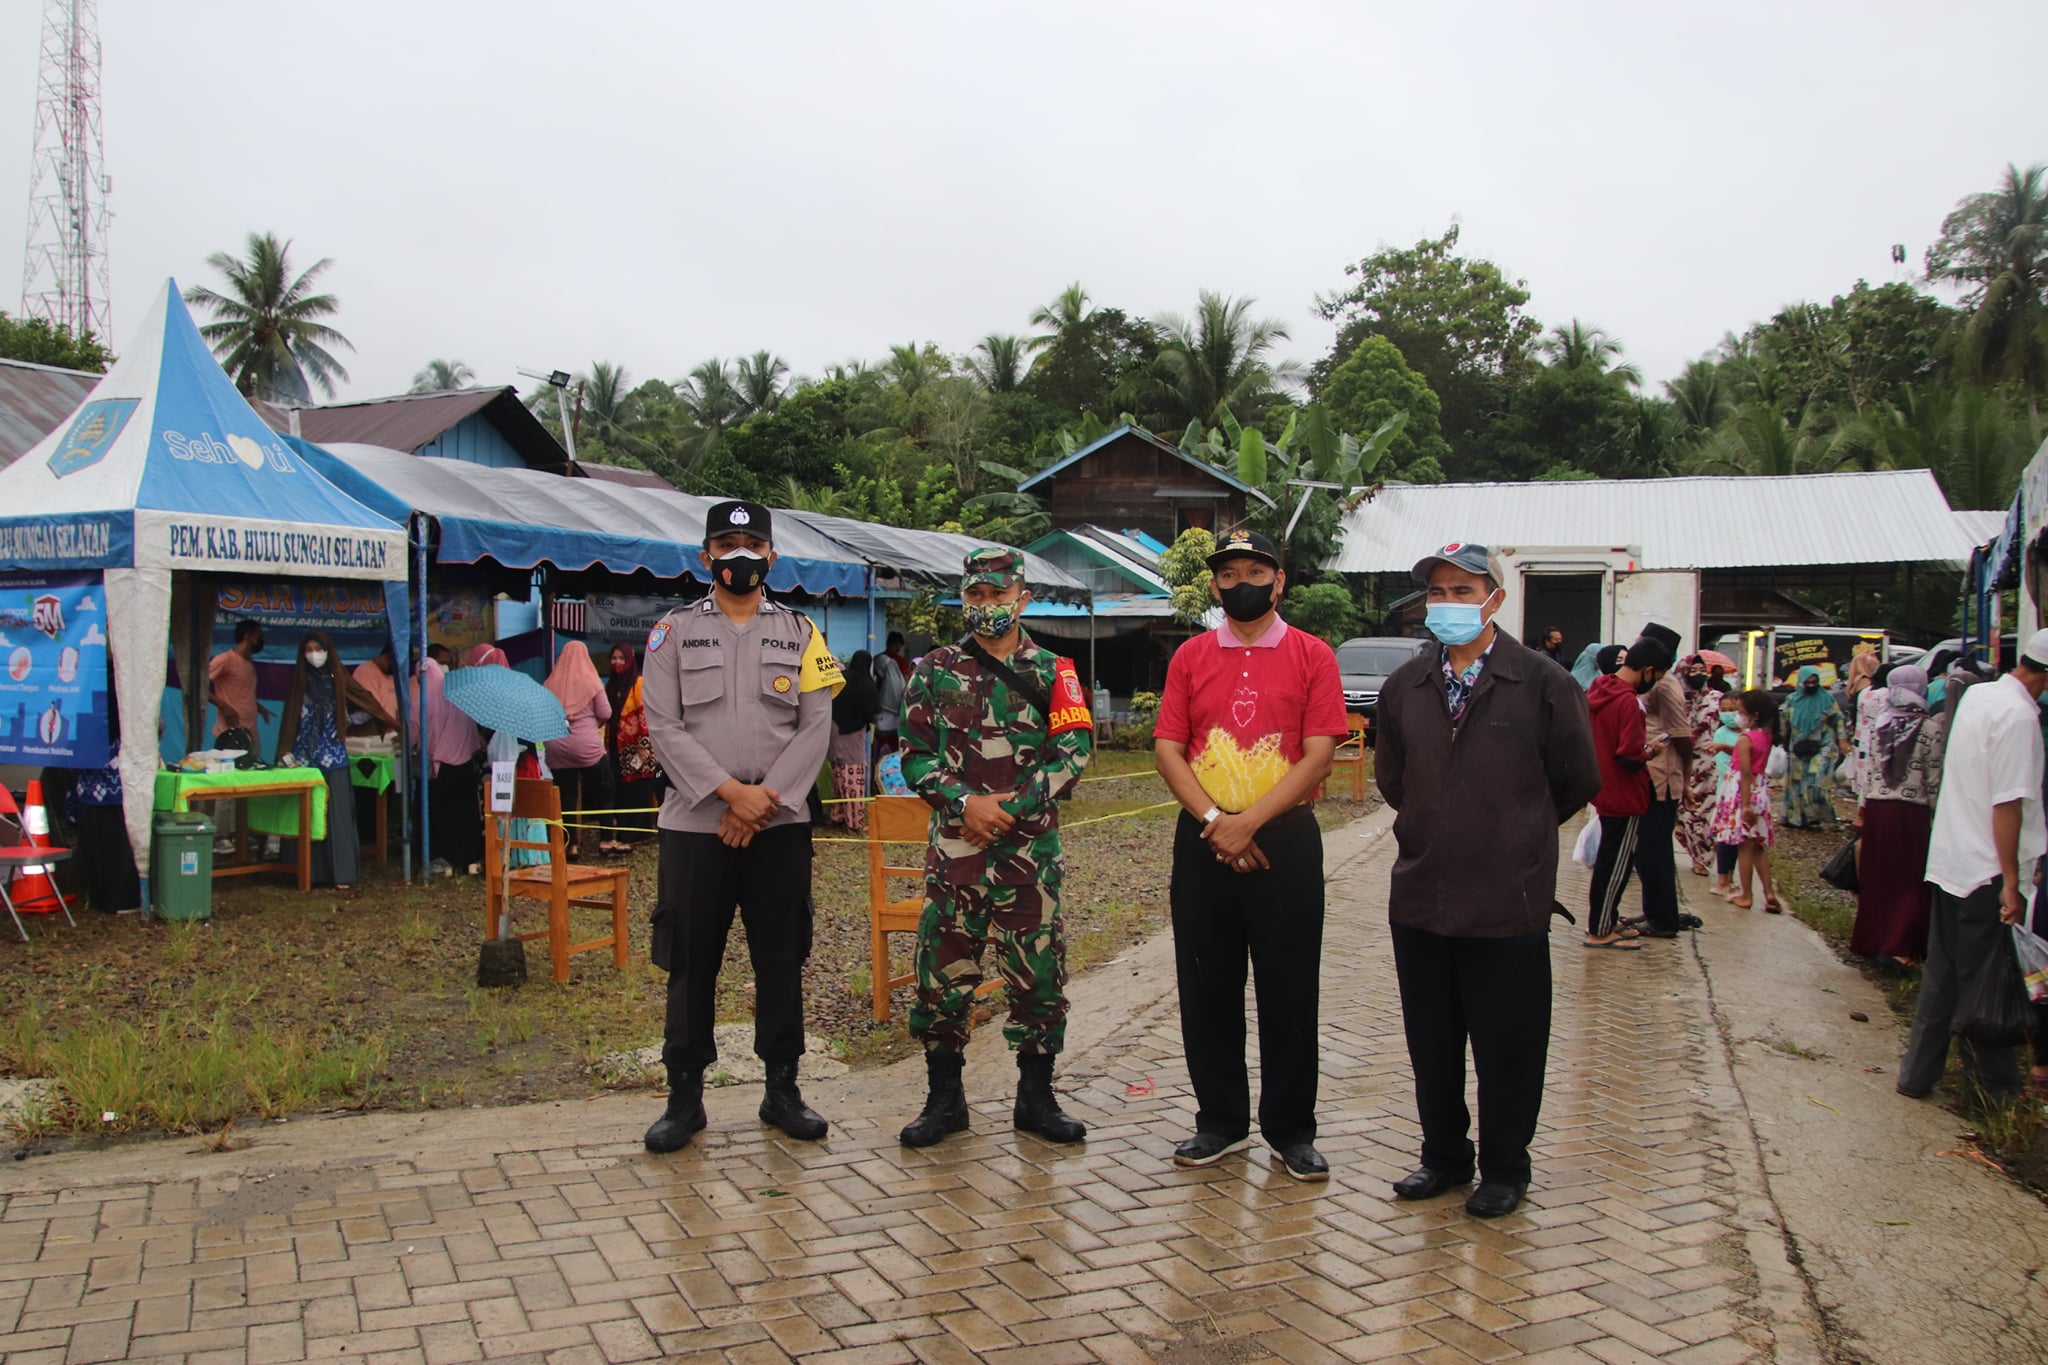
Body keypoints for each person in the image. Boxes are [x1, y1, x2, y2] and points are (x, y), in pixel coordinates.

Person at [1375, 543, 1601, 1218]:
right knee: (1432, 1042)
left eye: (1462, 590)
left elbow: (1576, 779)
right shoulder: (1406, 685)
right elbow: (1394, 780)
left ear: (1495, 599)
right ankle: (1444, 1155)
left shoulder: (1542, 682)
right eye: (1437, 592)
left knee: (1509, 1044)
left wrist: (1513, 830)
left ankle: (1505, 1166)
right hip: (1422, 895)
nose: (1447, 603)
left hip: (1509, 900)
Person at [641, 500, 842, 1153]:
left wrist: (764, 801)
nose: (740, 554)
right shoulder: (670, 633)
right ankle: (684, 1098)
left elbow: (816, 725)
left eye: (753, 543)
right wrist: (730, 794)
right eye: (726, 544)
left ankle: (782, 1089)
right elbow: (662, 726)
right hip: (695, 825)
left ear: (772, 556)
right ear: (705, 556)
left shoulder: (803, 632)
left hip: (779, 825)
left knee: (781, 955)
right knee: (690, 958)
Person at [1152, 530, 1345, 1180]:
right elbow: (1168, 748)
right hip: (1202, 838)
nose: (1242, 583)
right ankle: (1220, 1121)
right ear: (1214, 584)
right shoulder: (1190, 656)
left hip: (1284, 839)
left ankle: (1291, 1129)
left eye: (1256, 571)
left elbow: (1320, 752)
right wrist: (1217, 822)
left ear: (1279, 580)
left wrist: (1250, 823)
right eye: (1229, 573)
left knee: (1289, 987)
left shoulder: (1313, 655)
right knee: (1206, 984)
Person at [897, 548, 1094, 1149]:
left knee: (1038, 978)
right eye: (976, 595)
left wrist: (1009, 809)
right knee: (941, 977)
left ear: (1022, 598)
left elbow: (1074, 753)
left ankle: (1036, 1099)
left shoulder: (1055, 671)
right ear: (964, 599)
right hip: (956, 855)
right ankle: (944, 1101)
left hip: (1028, 858)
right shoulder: (933, 670)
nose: (987, 605)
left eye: (999, 595)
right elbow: (914, 755)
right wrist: (966, 804)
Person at [1897, 632, 2048, 1103]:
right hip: (1986, 869)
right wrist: (2011, 882)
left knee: (1943, 975)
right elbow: (2008, 805)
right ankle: (1995, 1091)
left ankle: (1917, 1074)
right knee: (1987, 979)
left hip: (1952, 859)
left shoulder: (1981, 696)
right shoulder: (2019, 717)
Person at [276, 631, 395, 892]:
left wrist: (346, 722)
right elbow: (290, 720)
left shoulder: (339, 678)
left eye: (319, 649)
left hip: (333, 757)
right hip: (303, 760)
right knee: (304, 815)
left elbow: (367, 704)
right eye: (309, 649)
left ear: (328, 651)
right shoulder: (299, 682)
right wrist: (285, 753)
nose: (314, 654)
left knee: (335, 814)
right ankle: (303, 872)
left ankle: (339, 872)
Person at [1852, 666, 1946, 966]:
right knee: (1911, 878)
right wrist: (1939, 817)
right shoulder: (1930, 728)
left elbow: (1869, 771)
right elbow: (1934, 778)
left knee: (1879, 875)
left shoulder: (1881, 724)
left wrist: (1863, 809)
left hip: (1878, 808)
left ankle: (1873, 940)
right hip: (1911, 812)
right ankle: (1900, 946)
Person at [1585, 647, 1654, 950]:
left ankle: (1607, 920)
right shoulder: (1629, 701)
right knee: (1615, 865)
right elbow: (1629, 754)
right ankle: (1600, 929)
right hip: (1625, 793)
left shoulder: (1600, 689)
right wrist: (1650, 752)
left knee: (1608, 859)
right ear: (1648, 670)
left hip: (1603, 786)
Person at [1628, 632, 1688, 938]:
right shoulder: (1655, 683)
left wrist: (1687, 777)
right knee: (1647, 851)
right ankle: (1655, 910)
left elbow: (1682, 734)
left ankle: (1663, 920)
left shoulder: (1664, 685)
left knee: (1654, 851)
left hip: (1661, 777)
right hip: (1650, 773)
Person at [413, 652, 484, 876]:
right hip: (463, 764)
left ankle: (442, 861)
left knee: (440, 815)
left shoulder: (422, 698)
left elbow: (414, 730)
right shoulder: (458, 694)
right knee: (465, 812)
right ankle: (470, 859)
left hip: (438, 768)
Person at [206, 619, 272, 855]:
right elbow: (201, 684)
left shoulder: (248, 664)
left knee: (247, 785)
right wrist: (224, 706)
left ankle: (239, 833)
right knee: (227, 787)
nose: (260, 639)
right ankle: (220, 836)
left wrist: (259, 707)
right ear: (248, 636)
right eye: (258, 634)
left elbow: (243, 693)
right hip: (230, 735)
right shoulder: (225, 659)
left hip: (250, 732)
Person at [543, 641, 613, 861]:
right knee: (605, 790)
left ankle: (571, 845)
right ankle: (606, 840)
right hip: (586, 747)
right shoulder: (591, 681)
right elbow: (606, 712)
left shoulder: (550, 683)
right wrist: (593, 724)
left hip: (556, 746)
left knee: (567, 798)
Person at [1714, 689, 1780, 912]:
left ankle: (1746, 895)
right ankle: (1769, 893)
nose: (1737, 716)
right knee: (1757, 847)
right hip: (1759, 791)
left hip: (1743, 793)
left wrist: (1745, 805)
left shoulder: (1745, 739)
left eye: (1741, 712)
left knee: (1744, 848)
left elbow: (1744, 772)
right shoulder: (1766, 736)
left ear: (1755, 715)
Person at [600, 643, 656, 853]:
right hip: (616, 747)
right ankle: (625, 831)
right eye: (614, 658)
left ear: (630, 660)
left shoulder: (638, 682)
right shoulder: (611, 685)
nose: (617, 662)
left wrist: (644, 745)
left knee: (637, 789)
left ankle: (634, 835)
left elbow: (645, 713)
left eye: (622, 658)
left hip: (637, 748)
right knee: (621, 789)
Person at [1781, 666, 1847, 828]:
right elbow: (1784, 723)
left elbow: (1838, 720)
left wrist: (1842, 740)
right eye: (1807, 682)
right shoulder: (1792, 700)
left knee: (1817, 779)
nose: (1811, 685)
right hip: (1798, 746)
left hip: (1823, 744)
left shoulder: (1827, 699)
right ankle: (1799, 818)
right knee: (1797, 783)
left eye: (1814, 682)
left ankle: (1818, 816)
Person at [1677, 655, 1723, 877]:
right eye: (1693, 670)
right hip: (1681, 762)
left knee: (1704, 811)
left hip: (1708, 764)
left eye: (1702, 670)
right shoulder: (1677, 699)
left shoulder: (1716, 699)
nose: (1698, 674)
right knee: (1683, 814)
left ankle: (1702, 858)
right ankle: (1692, 852)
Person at [829, 649, 878, 833]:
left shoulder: (841, 679)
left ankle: (838, 815)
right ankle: (854, 821)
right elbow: (872, 713)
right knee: (854, 778)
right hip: (854, 735)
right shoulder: (867, 684)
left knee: (839, 776)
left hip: (835, 731)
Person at [1704, 689, 1748, 896]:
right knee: (1725, 836)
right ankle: (1723, 879)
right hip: (1729, 791)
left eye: (1733, 709)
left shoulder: (1748, 733)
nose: (1728, 714)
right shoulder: (1721, 734)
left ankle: (1730, 878)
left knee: (1739, 838)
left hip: (1746, 790)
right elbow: (1725, 766)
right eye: (1724, 710)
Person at [873, 632, 910, 758]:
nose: (898, 649)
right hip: (884, 705)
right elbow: (906, 681)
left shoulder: (880, 659)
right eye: (897, 645)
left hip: (889, 705)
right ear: (890, 644)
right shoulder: (883, 660)